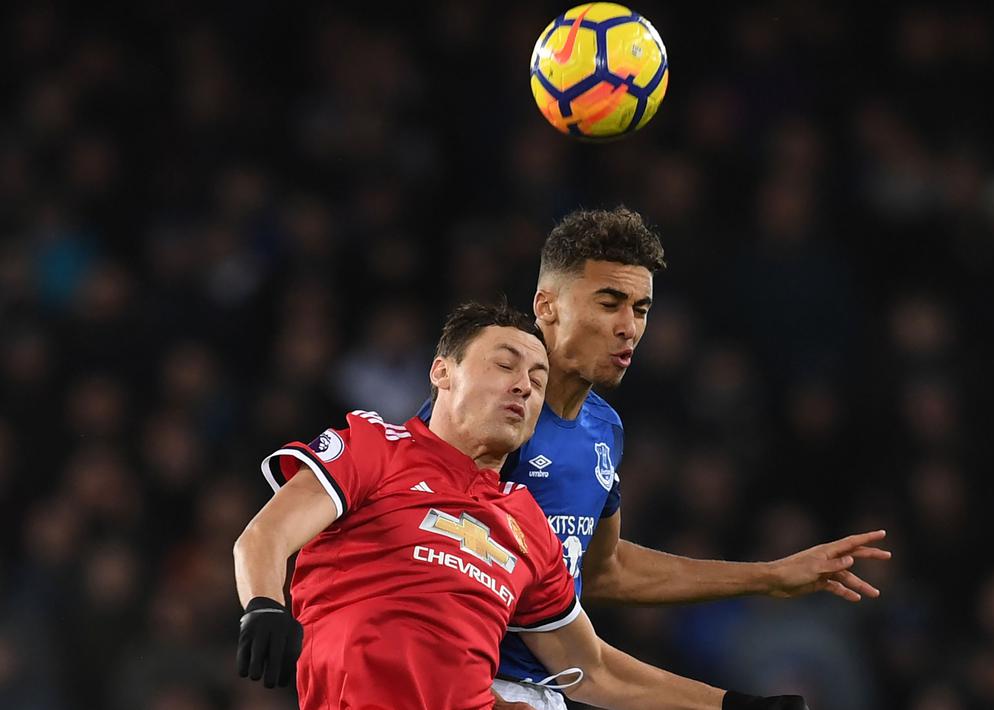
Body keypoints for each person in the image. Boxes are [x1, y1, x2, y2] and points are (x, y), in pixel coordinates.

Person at [420, 207, 891, 708]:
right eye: (609, 302)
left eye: (641, 309)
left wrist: (770, 576)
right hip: (462, 687)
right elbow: (414, 555)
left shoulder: (603, 429)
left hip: (548, 689)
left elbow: (604, 571)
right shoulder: (491, 411)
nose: (629, 328)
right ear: (547, 305)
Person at [233, 301, 811, 710]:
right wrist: (262, 605)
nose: (524, 387)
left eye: (537, 378)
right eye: (505, 365)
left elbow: (596, 669)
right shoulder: (374, 446)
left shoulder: (524, 523)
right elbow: (266, 535)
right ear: (442, 373)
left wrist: (731, 705)